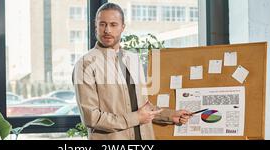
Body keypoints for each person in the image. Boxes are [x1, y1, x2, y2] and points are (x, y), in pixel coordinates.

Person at [73, 3, 192, 140]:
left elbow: (143, 107)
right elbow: (91, 118)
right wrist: (136, 118)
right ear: (96, 26)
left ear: (123, 27)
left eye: (113, 24)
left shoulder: (133, 59)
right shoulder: (85, 65)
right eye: (102, 24)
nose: (107, 30)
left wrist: (170, 115)